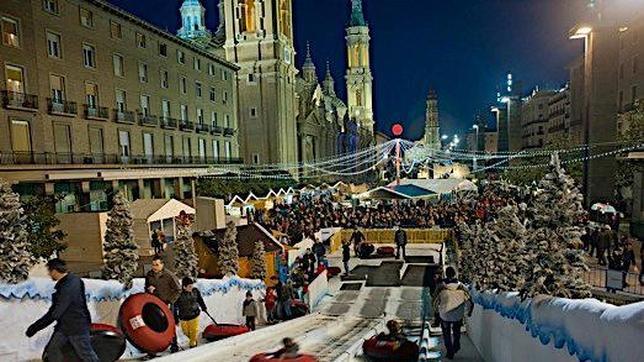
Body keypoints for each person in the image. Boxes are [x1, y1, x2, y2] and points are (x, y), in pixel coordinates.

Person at [25, 259, 99, 362]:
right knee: (52, 350)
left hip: (76, 327)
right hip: (64, 327)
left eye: (49, 271)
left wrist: (35, 327)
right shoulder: (69, 282)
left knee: (86, 355)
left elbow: (55, 312)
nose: (49, 274)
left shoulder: (68, 286)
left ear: (54, 270)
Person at [433, 266, 473, 360]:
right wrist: (469, 312)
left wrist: (436, 311)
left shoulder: (441, 286)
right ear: (455, 274)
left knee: (446, 334)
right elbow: (469, 301)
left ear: (446, 274)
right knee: (456, 331)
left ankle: (450, 352)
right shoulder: (462, 286)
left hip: (445, 315)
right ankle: (456, 345)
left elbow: (434, 301)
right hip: (458, 315)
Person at [145, 256, 181, 353]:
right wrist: (149, 289)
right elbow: (146, 287)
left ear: (162, 264)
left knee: (169, 325)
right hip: (155, 304)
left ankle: (174, 345)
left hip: (167, 303)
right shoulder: (149, 275)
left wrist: (170, 301)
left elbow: (178, 290)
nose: (154, 267)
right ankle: (155, 346)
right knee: (155, 324)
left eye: (157, 265)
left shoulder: (169, 275)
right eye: (153, 265)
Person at [174, 277, 207, 348]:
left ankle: (193, 344)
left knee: (193, 331)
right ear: (184, 287)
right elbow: (175, 307)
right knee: (185, 332)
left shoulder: (195, 291)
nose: (191, 288)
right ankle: (193, 340)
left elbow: (200, 299)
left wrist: (203, 307)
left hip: (195, 314)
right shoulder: (179, 295)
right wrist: (175, 318)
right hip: (183, 317)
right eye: (189, 286)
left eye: (192, 286)